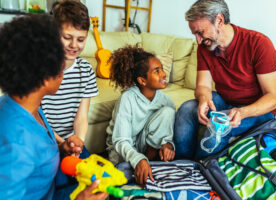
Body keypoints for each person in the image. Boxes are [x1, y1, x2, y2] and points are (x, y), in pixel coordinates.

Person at [0, 14, 107, 200]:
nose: (64, 70)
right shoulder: (16, 143)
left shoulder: (27, 105)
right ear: (45, 73)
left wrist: (62, 148)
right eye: (60, 61)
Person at [174, 0, 276, 160]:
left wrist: (243, 112)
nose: (198, 40)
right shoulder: (205, 47)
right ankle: (180, 163)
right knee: (186, 109)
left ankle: (199, 169)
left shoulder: (258, 43)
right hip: (226, 102)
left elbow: (274, 97)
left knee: (219, 126)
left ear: (219, 20)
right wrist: (204, 99)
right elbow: (203, 85)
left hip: (257, 111)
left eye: (200, 32)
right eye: (194, 34)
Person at [106, 46, 176, 185]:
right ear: (142, 81)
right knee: (119, 175)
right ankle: (140, 168)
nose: (163, 74)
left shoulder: (166, 101)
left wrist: (168, 145)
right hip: (124, 153)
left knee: (168, 112)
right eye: (157, 71)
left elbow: (166, 134)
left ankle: (148, 166)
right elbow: (120, 141)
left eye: (162, 68)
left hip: (146, 149)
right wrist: (137, 159)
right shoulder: (127, 99)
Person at [41, 0, 98, 149]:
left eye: (80, 39)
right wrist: (62, 144)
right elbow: (36, 118)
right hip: (44, 140)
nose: (74, 45)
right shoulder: (39, 68)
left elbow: (82, 117)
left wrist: (77, 143)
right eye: (67, 38)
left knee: (93, 171)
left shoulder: (85, 70)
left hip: (72, 141)